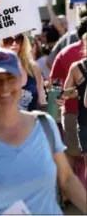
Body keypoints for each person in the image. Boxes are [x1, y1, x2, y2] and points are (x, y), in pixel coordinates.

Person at [0, 48, 87, 214]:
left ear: (21, 80)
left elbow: (68, 179)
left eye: (10, 78)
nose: (4, 87)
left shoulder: (44, 125)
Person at [49, 16, 87, 174]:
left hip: (71, 114)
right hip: (76, 113)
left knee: (72, 157)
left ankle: (70, 195)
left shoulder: (65, 53)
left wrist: (53, 110)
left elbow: (56, 83)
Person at [0, 33, 45, 115]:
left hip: (29, 126)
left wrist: (57, 102)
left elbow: (40, 104)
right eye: (8, 39)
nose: (14, 43)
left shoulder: (32, 68)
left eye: (19, 38)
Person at [63, 32, 87, 182]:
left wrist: (79, 91)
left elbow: (64, 93)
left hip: (84, 120)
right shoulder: (75, 67)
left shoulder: (76, 68)